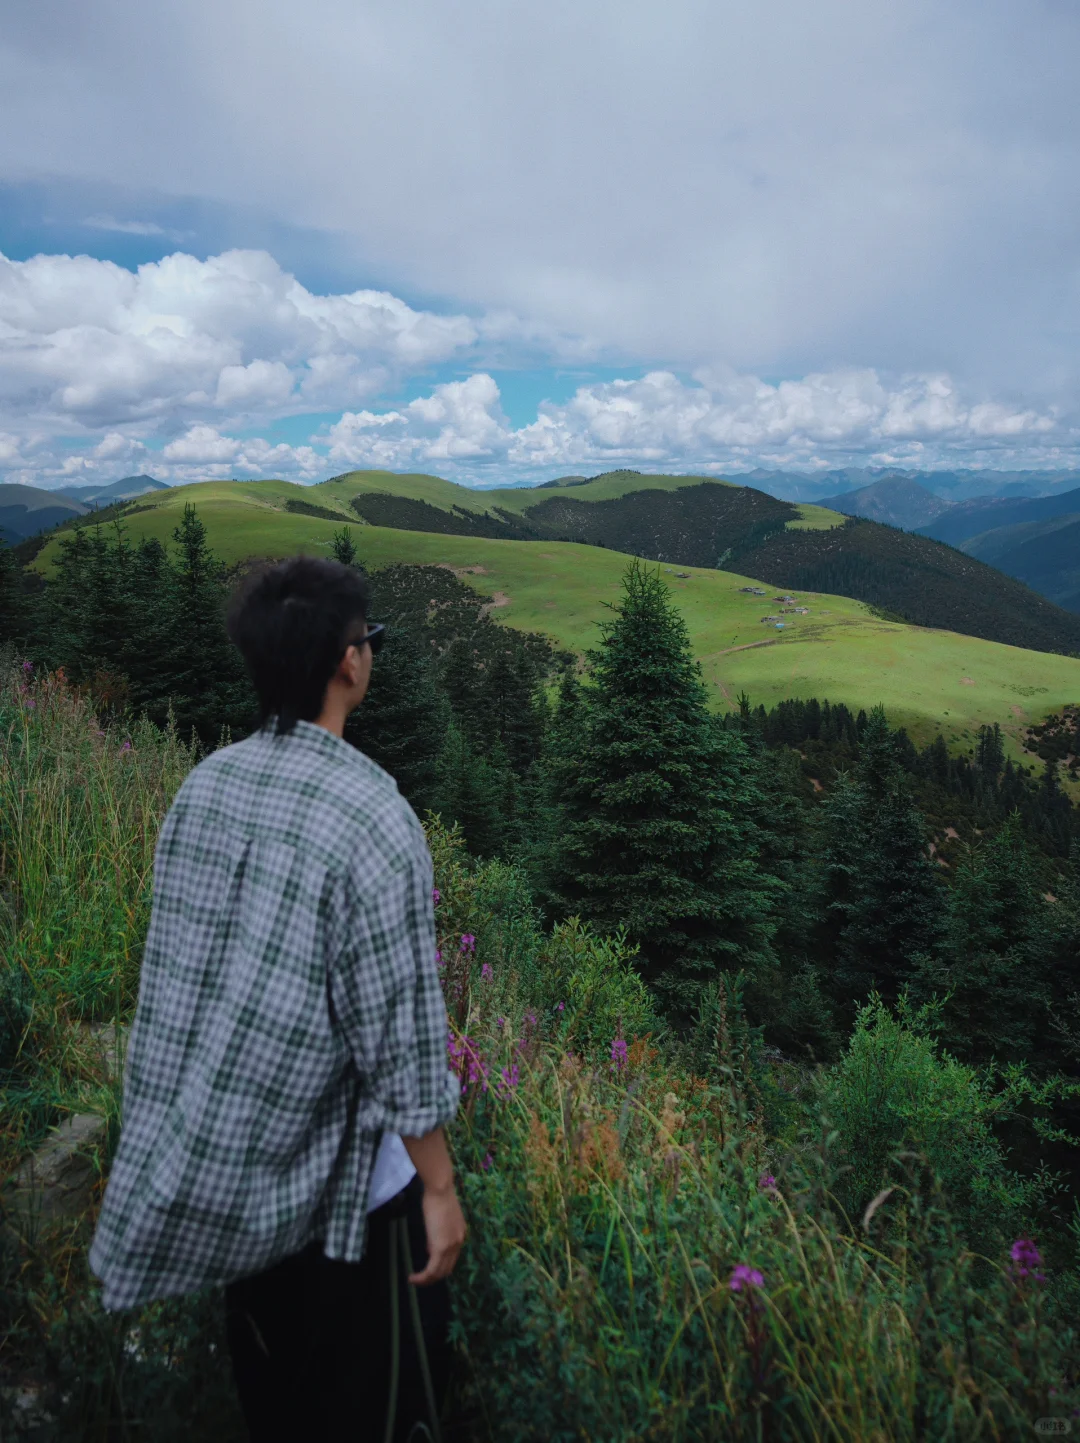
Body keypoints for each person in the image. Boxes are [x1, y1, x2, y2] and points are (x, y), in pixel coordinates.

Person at [90, 556, 465, 1441]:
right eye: (368, 639)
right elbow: (401, 1038)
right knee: (374, 1407)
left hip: (233, 1176)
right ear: (348, 662)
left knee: (272, 1397)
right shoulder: (375, 816)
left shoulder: (203, 785)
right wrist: (440, 1187)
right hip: (352, 1207)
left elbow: (179, 976)